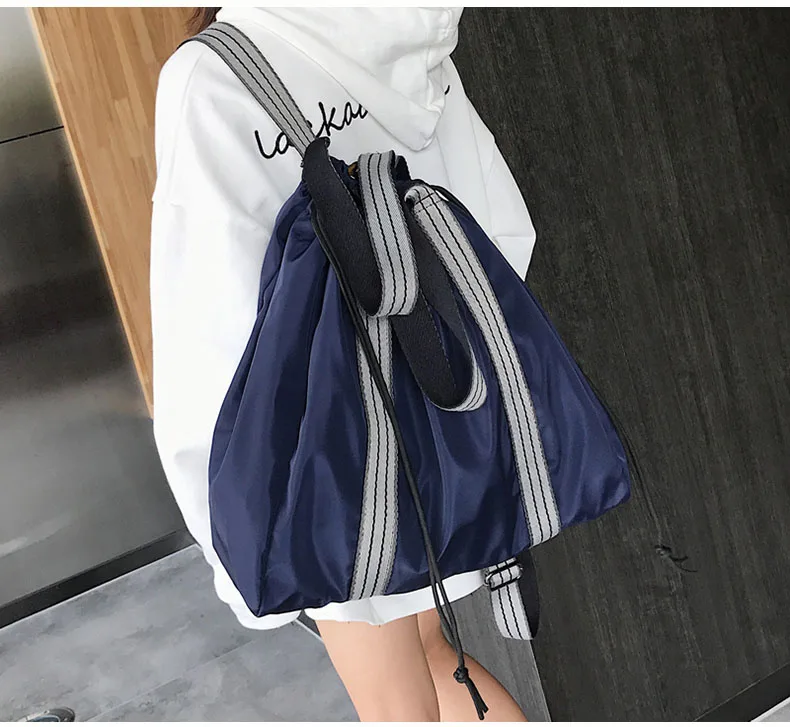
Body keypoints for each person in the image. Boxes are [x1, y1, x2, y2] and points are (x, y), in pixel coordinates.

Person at [151, 7, 537, 722]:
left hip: (323, 453)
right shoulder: (404, 31)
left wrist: (225, 518)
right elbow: (500, 223)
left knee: (394, 702)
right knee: (432, 652)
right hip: (441, 416)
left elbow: (209, 325)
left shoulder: (213, 75)